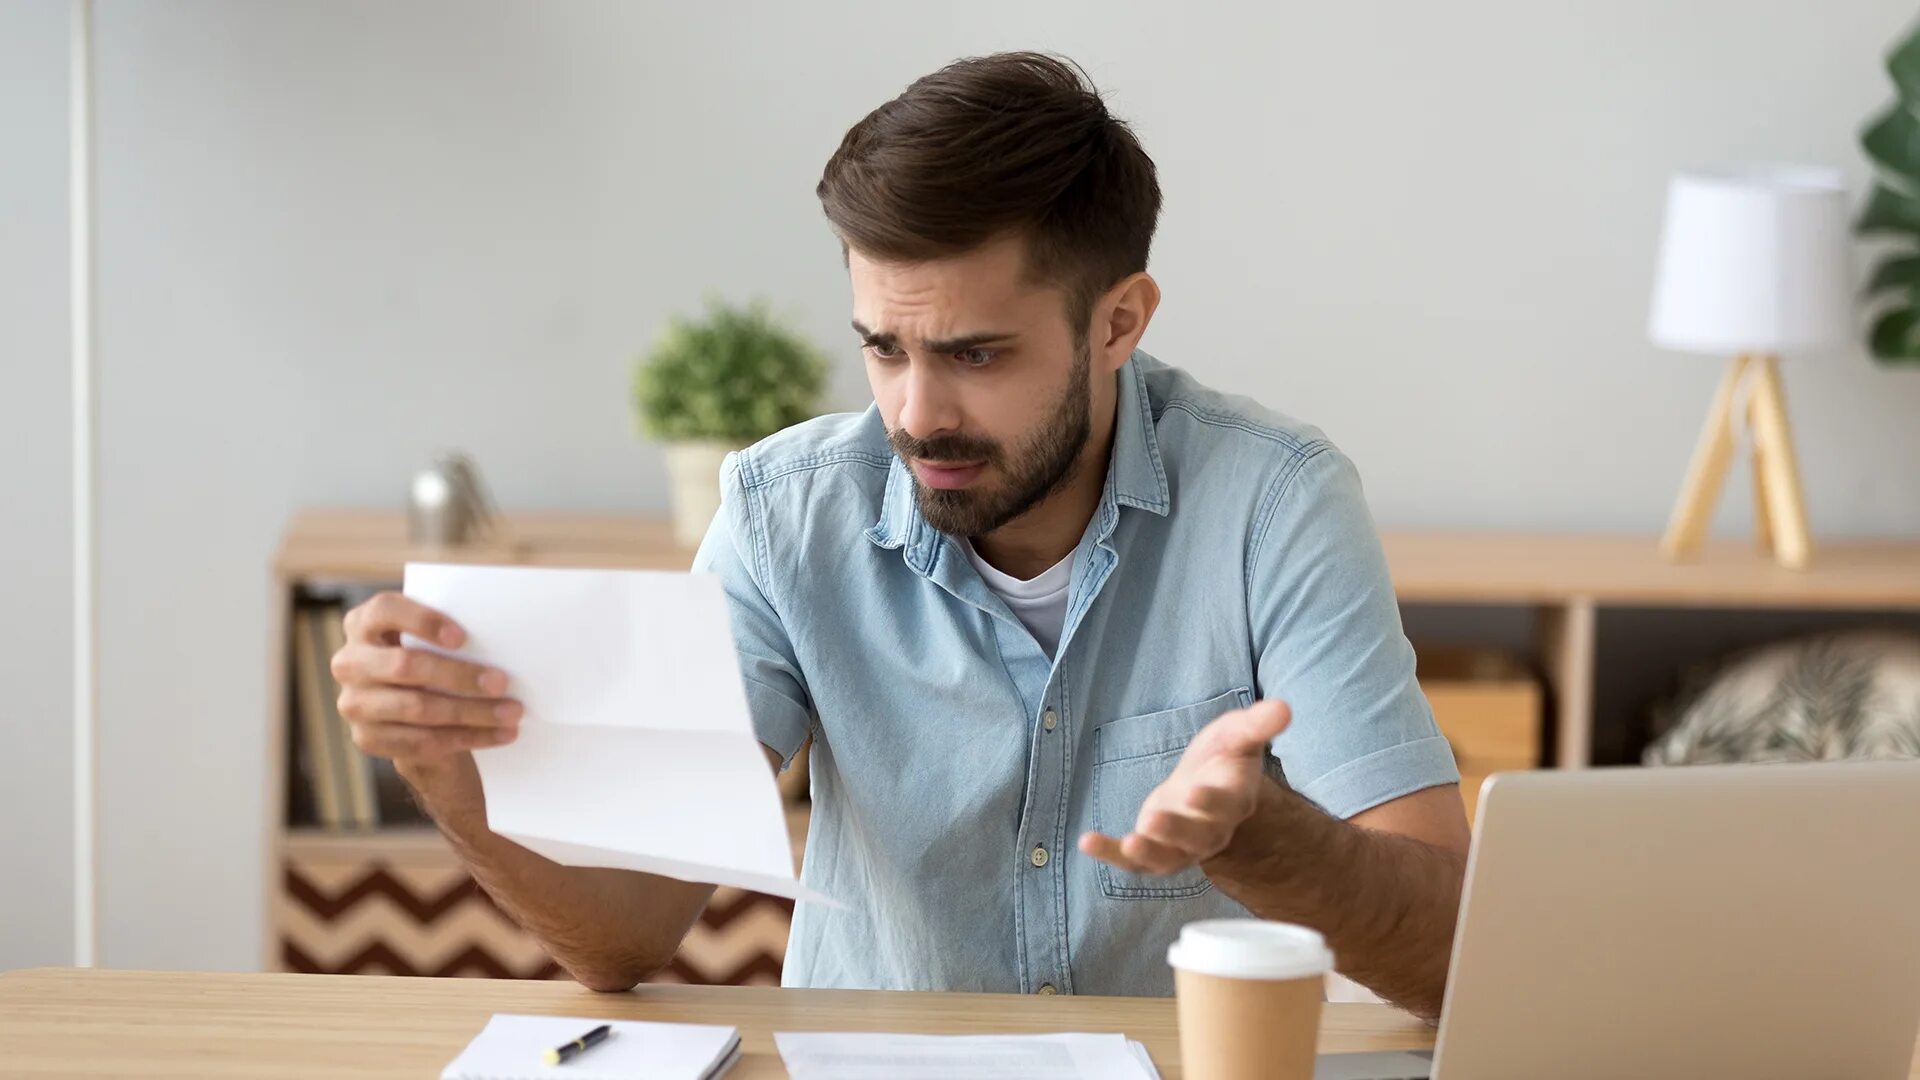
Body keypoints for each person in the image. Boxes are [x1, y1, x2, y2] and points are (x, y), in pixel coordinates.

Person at [329, 51, 1469, 1019]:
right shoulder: (783, 517)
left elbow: (1447, 950)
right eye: (883, 348)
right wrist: (444, 771)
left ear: (1117, 322)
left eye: (975, 354)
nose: (917, 415)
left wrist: (1266, 838)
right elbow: (628, 937)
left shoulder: (1275, 506)